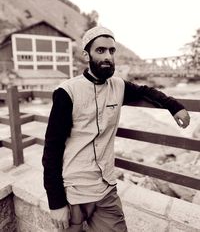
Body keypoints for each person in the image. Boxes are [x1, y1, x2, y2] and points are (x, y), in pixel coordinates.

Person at [42, 26, 190, 232]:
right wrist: (55, 201)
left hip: (106, 190)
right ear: (87, 55)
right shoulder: (67, 92)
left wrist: (174, 106)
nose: (108, 56)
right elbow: (52, 149)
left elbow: (146, 91)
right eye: (100, 50)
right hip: (73, 190)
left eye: (112, 51)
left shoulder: (118, 86)